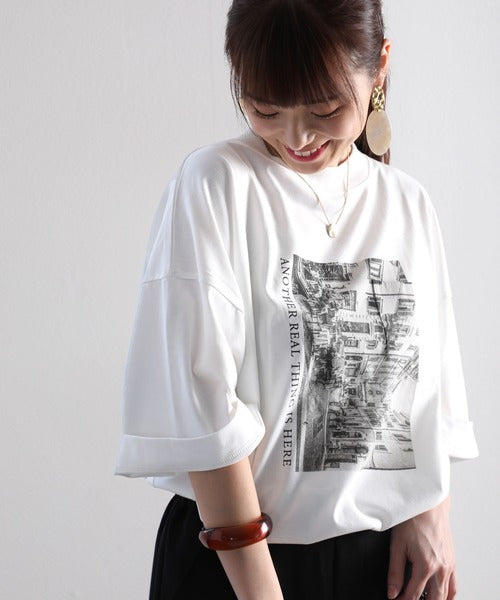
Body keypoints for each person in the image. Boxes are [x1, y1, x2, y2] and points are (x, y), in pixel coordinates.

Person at [114, 1, 479, 599]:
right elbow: (203, 410)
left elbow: (428, 390)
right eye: (266, 109)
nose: (296, 137)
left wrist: (428, 510)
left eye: (325, 110)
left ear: (380, 68)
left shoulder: (408, 203)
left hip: (380, 566)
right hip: (238, 563)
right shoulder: (216, 183)